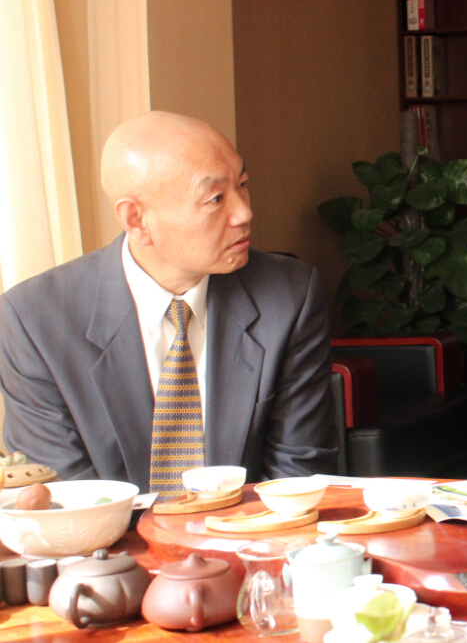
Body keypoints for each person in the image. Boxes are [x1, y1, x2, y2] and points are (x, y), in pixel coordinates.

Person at [0, 111, 338, 497]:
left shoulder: (289, 296)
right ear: (136, 219)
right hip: (109, 537)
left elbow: (296, 481)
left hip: (250, 533)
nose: (244, 213)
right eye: (215, 198)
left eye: (242, 185)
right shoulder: (34, 320)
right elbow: (65, 499)